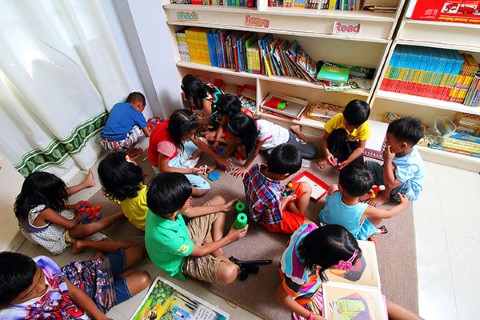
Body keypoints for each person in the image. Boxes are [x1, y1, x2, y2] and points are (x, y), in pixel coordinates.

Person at [275, 224, 422, 320]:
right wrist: (311, 316)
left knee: (373, 301)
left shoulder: (309, 228)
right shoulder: (297, 276)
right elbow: (281, 297)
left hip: (311, 276)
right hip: (309, 297)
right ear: (321, 263)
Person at [0, 242, 151, 319]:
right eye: (32, 292)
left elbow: (71, 290)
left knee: (137, 252)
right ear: (8, 303)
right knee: (143, 278)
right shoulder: (15, 315)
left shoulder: (40, 263)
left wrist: (101, 317)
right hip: (84, 306)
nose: (43, 285)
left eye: (41, 276)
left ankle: (91, 249)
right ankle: (102, 267)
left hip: (79, 279)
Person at [145, 172, 248, 285]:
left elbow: (189, 212)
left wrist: (223, 207)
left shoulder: (159, 205)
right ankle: (212, 246)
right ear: (174, 212)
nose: (191, 198)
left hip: (186, 238)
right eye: (187, 198)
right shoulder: (167, 237)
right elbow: (200, 251)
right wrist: (230, 237)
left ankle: (215, 247)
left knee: (220, 200)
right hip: (182, 260)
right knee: (230, 272)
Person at [14, 172, 124, 255]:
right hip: (57, 239)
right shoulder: (43, 211)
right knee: (86, 229)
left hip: (44, 223)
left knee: (60, 197)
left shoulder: (27, 198)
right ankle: (122, 214)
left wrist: (71, 206)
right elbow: (70, 224)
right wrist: (78, 216)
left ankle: (86, 184)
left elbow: (50, 209)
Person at [147, 109, 232, 197]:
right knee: (203, 188)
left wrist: (218, 158)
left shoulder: (174, 122)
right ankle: (178, 177)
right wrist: (190, 170)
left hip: (175, 153)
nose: (192, 135)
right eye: (189, 134)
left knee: (204, 141)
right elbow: (163, 170)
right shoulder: (167, 145)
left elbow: (197, 141)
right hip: (167, 165)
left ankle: (185, 165)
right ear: (180, 134)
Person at [319, 164, 409, 240]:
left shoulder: (335, 192)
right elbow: (388, 213)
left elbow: (348, 195)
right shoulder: (366, 209)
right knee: (377, 217)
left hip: (324, 222)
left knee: (333, 187)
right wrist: (403, 204)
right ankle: (371, 232)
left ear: (340, 186)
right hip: (346, 236)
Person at [243, 143, 312, 234]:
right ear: (285, 175)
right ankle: (298, 215)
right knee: (311, 226)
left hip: (270, 198)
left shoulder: (257, 166)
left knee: (306, 187)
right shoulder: (273, 196)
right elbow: (272, 219)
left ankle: (297, 214)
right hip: (268, 218)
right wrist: (286, 200)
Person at [228, 114, 318, 178]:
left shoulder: (263, 131)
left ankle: (297, 130)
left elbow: (255, 153)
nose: (233, 139)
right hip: (268, 145)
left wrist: (244, 167)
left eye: (235, 138)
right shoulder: (245, 126)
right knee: (244, 153)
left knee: (313, 153)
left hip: (286, 139)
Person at [365, 116, 425, 206]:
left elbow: (391, 184)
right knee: (368, 165)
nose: (385, 142)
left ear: (403, 146)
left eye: (388, 141)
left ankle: (385, 196)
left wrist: (388, 160)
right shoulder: (400, 148)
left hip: (405, 191)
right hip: (392, 179)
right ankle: (378, 186)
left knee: (392, 167)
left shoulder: (412, 163)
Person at [97, 152, 147, 231]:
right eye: (131, 161)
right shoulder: (146, 194)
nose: (134, 162)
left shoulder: (116, 191)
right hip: (152, 226)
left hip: (140, 225)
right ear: (131, 173)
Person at [317, 99, 371, 169]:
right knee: (339, 133)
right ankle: (327, 157)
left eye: (354, 127)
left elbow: (360, 148)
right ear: (343, 113)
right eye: (346, 123)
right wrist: (327, 153)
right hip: (339, 138)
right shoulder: (338, 118)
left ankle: (343, 159)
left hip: (352, 144)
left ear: (360, 124)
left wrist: (348, 161)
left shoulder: (364, 126)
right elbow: (324, 139)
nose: (348, 128)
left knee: (358, 166)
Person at [100, 92, 151, 158]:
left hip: (105, 143)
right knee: (139, 129)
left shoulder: (117, 105)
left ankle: (123, 149)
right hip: (116, 145)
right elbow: (148, 134)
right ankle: (129, 152)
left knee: (128, 126)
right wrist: (152, 129)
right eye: (142, 110)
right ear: (140, 105)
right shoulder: (137, 113)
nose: (141, 112)